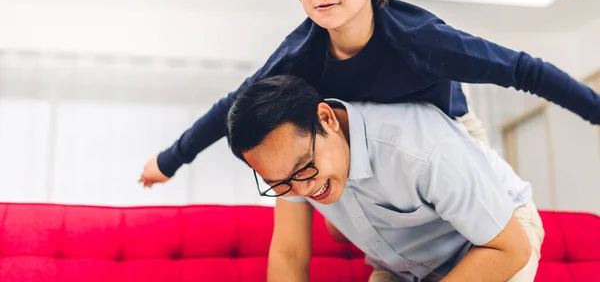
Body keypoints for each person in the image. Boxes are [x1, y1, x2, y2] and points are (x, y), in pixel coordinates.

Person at [139, 0, 600, 187]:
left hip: (448, 131)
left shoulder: (421, 40)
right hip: (373, 145)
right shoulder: (299, 54)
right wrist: (169, 159)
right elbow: (234, 106)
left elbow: (524, 70)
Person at [226, 75, 544, 282]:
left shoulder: (419, 146)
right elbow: (289, 255)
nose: (302, 189)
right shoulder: (288, 166)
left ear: (326, 118)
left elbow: (511, 249)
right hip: (403, 267)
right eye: (280, 184)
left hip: (495, 237)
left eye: (304, 169)